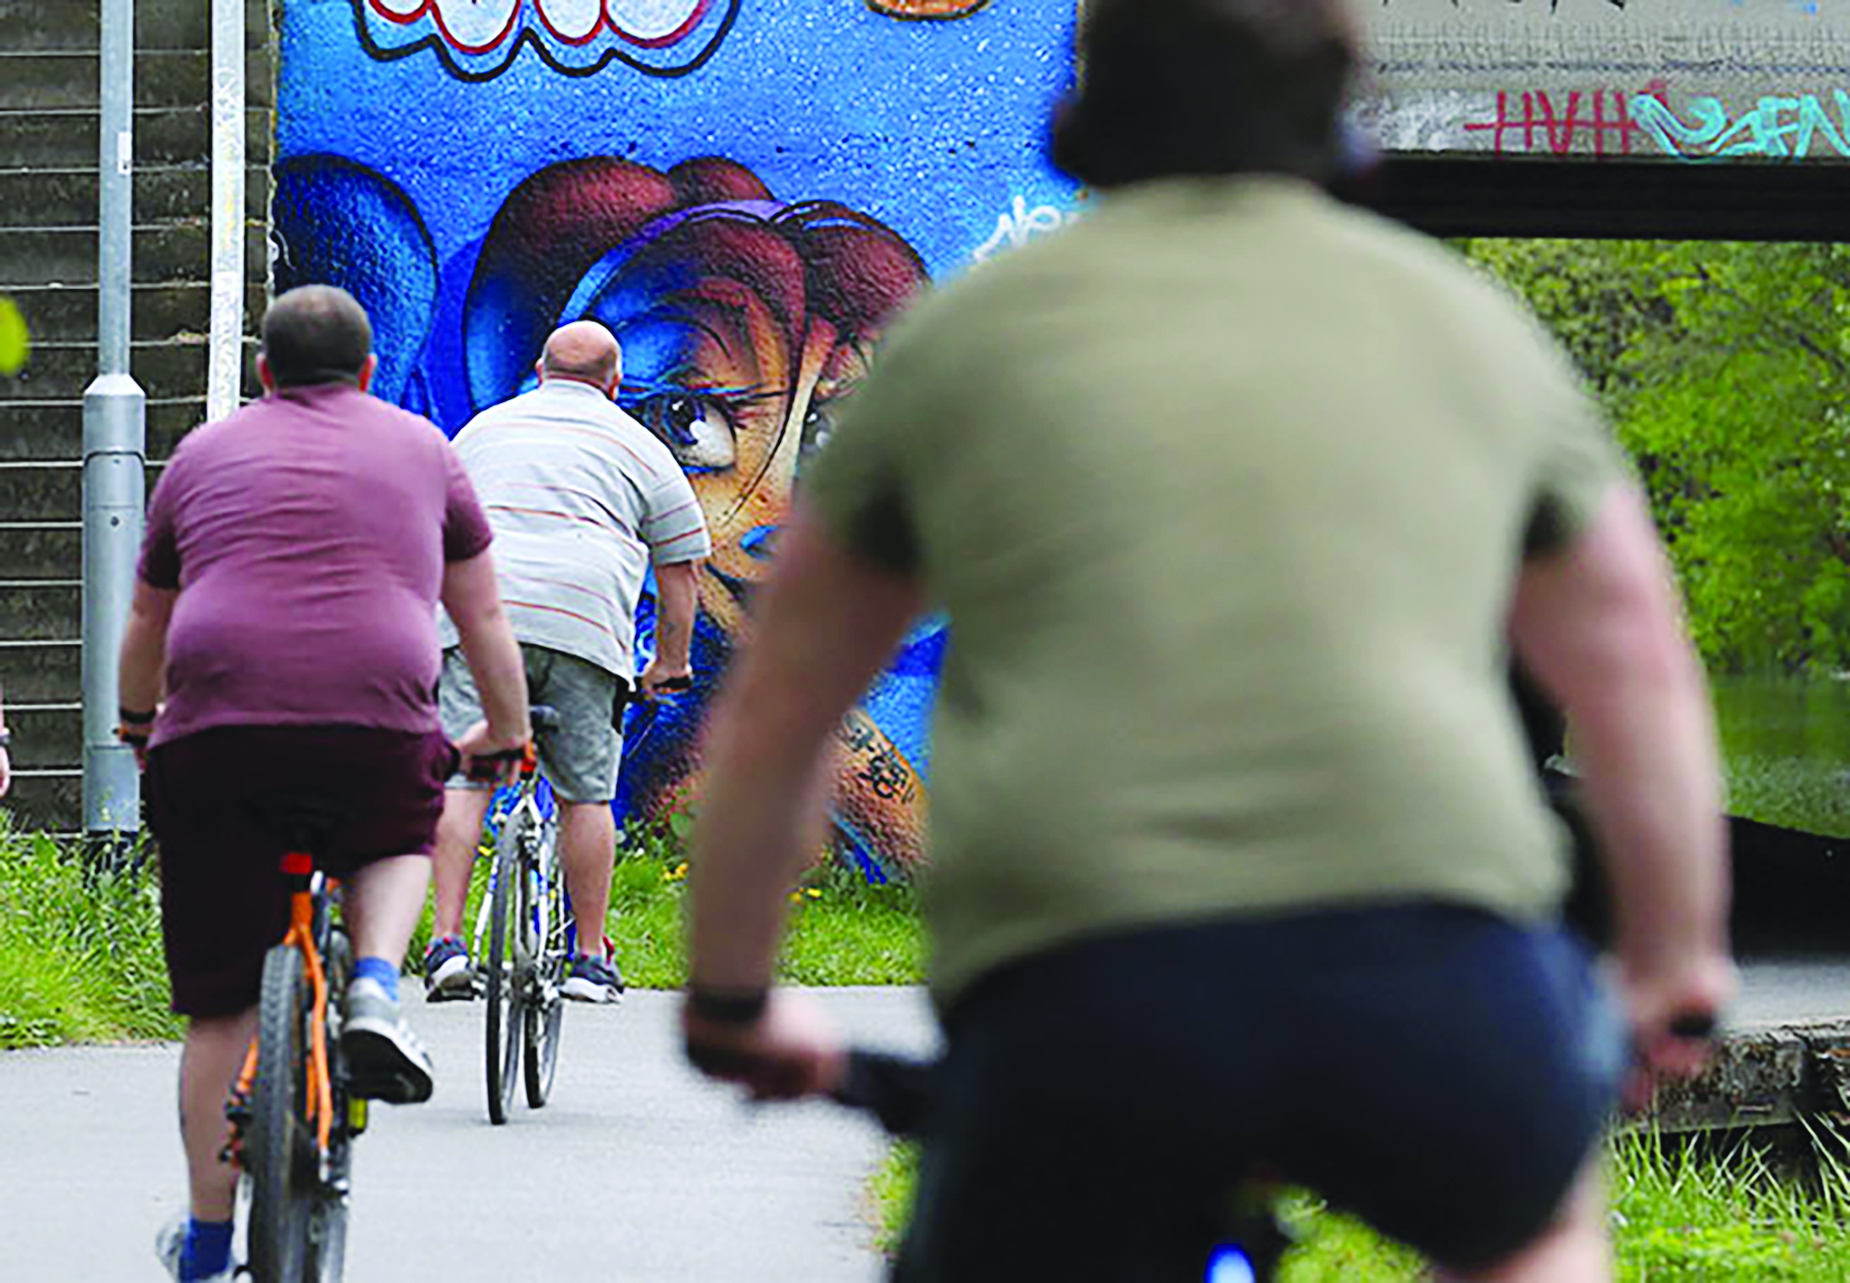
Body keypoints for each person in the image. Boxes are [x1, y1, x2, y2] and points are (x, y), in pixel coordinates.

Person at [678, 2, 1735, 1281]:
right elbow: (1633, 674)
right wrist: (1673, 968)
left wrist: (733, 1000)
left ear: (1090, 102)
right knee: (1536, 1233)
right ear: (1335, 104)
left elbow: (782, 707)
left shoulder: (963, 343)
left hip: (1087, 996)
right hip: (1430, 966)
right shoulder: (1469, 332)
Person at [119, 285, 531, 1283]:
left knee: (221, 1012)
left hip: (219, 726)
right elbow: (481, 619)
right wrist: (507, 733)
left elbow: (146, 623)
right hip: (372, 715)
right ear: (368, 372)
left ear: (263, 373)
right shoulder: (425, 451)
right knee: (399, 825)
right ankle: (375, 990)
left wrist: (139, 724)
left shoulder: (205, 455)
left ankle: (210, 1243)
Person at [424, 320, 710, 1004]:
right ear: (615, 383)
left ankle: (446, 944)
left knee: (466, 782)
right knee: (586, 794)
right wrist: (668, 663)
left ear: (539, 368)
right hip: (585, 624)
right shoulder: (640, 446)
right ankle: (588, 957)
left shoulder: (484, 431)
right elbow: (681, 572)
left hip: (480, 619)